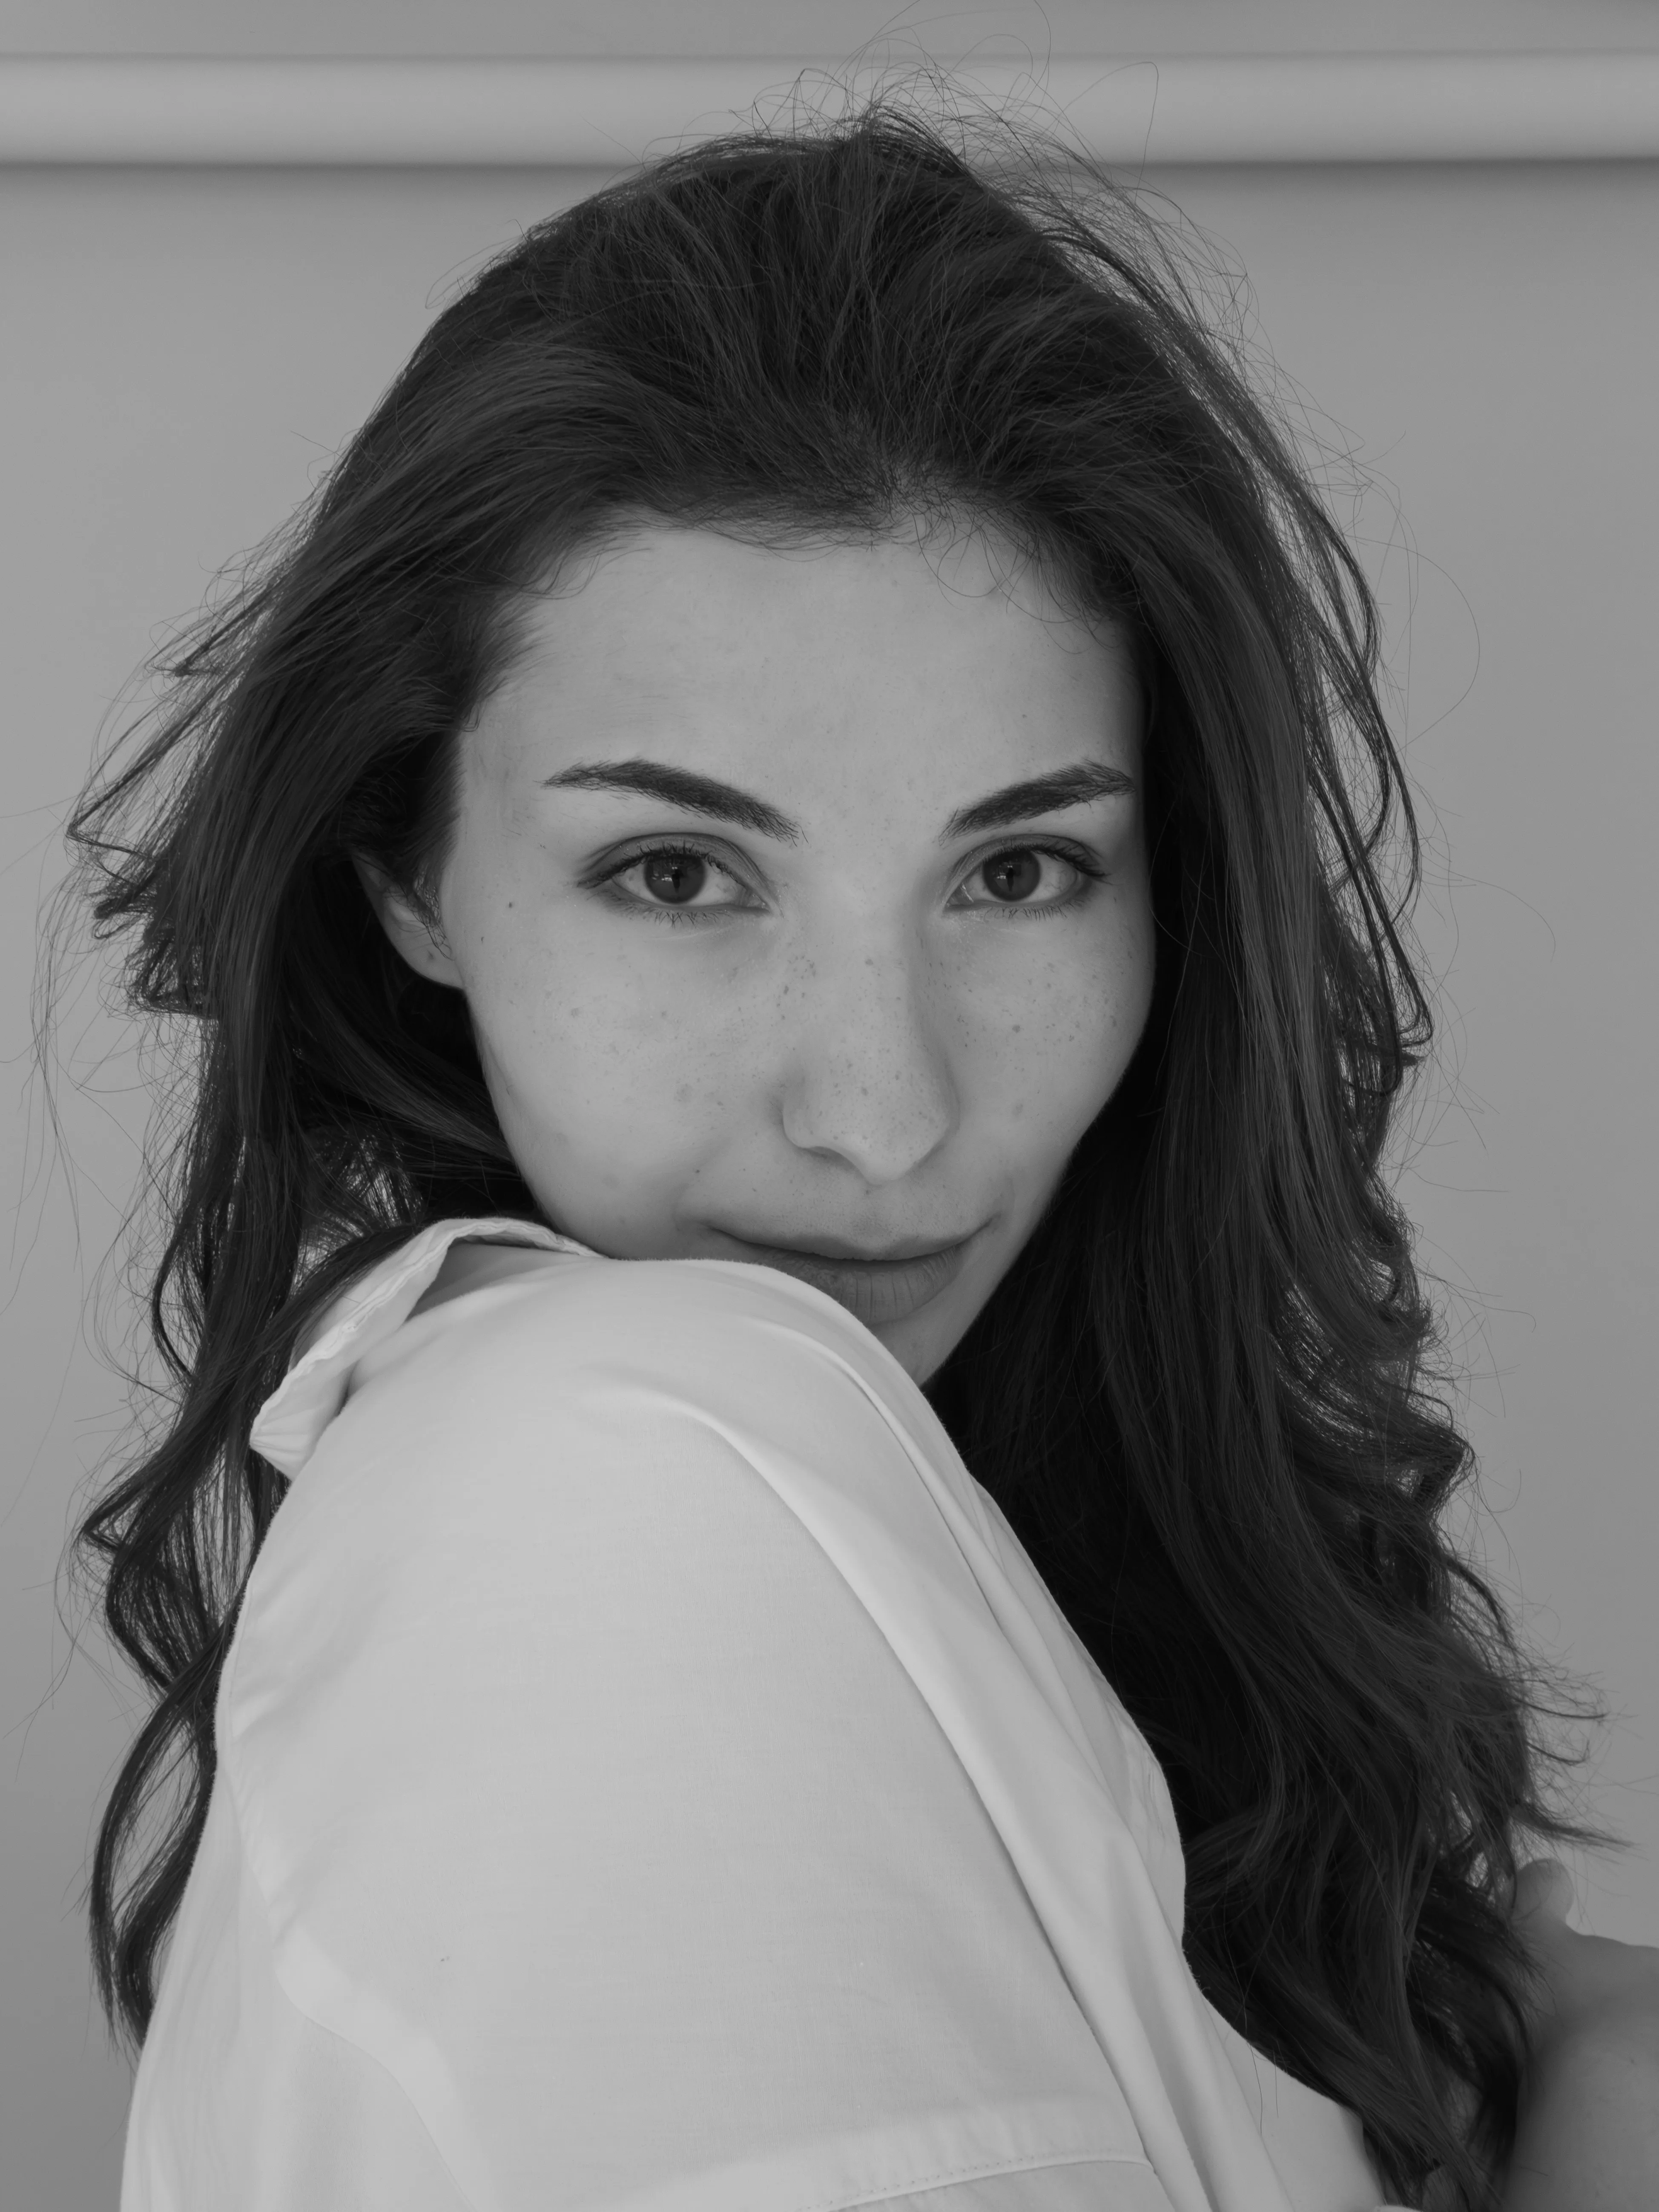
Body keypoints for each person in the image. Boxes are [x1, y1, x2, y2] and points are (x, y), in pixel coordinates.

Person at [60, 93, 1656, 2212]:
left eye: (1015, 868)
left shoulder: (866, 1522)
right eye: (673, 870)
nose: (884, 1109)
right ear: (408, 872)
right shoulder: (612, 1472)